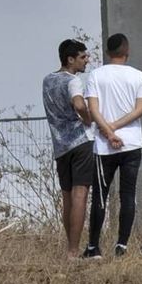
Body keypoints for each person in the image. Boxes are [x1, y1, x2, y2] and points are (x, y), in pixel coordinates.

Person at [82, 33, 142, 259]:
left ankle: (93, 248)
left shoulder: (96, 75)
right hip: (131, 144)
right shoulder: (139, 76)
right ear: (127, 51)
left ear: (108, 52)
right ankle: (122, 245)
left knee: (100, 196)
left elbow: (93, 109)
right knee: (128, 195)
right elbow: (140, 109)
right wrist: (117, 128)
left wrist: (109, 132)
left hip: (103, 146)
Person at [42, 38, 100, 257]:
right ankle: (74, 250)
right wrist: (87, 118)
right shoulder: (73, 81)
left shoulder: (47, 80)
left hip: (60, 146)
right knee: (80, 195)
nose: (86, 61)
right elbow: (78, 103)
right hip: (80, 142)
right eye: (83, 57)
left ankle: (70, 246)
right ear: (70, 59)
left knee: (67, 197)